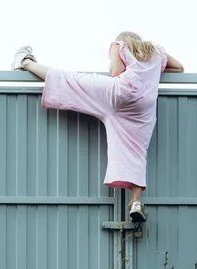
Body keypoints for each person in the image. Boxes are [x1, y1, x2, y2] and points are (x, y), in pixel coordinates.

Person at [11, 31, 184, 222]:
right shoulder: (156, 51)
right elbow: (179, 68)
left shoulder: (120, 45)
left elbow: (115, 72)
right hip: (143, 105)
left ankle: (25, 62)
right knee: (138, 150)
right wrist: (151, 72)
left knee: (72, 81)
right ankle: (136, 202)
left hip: (119, 93)